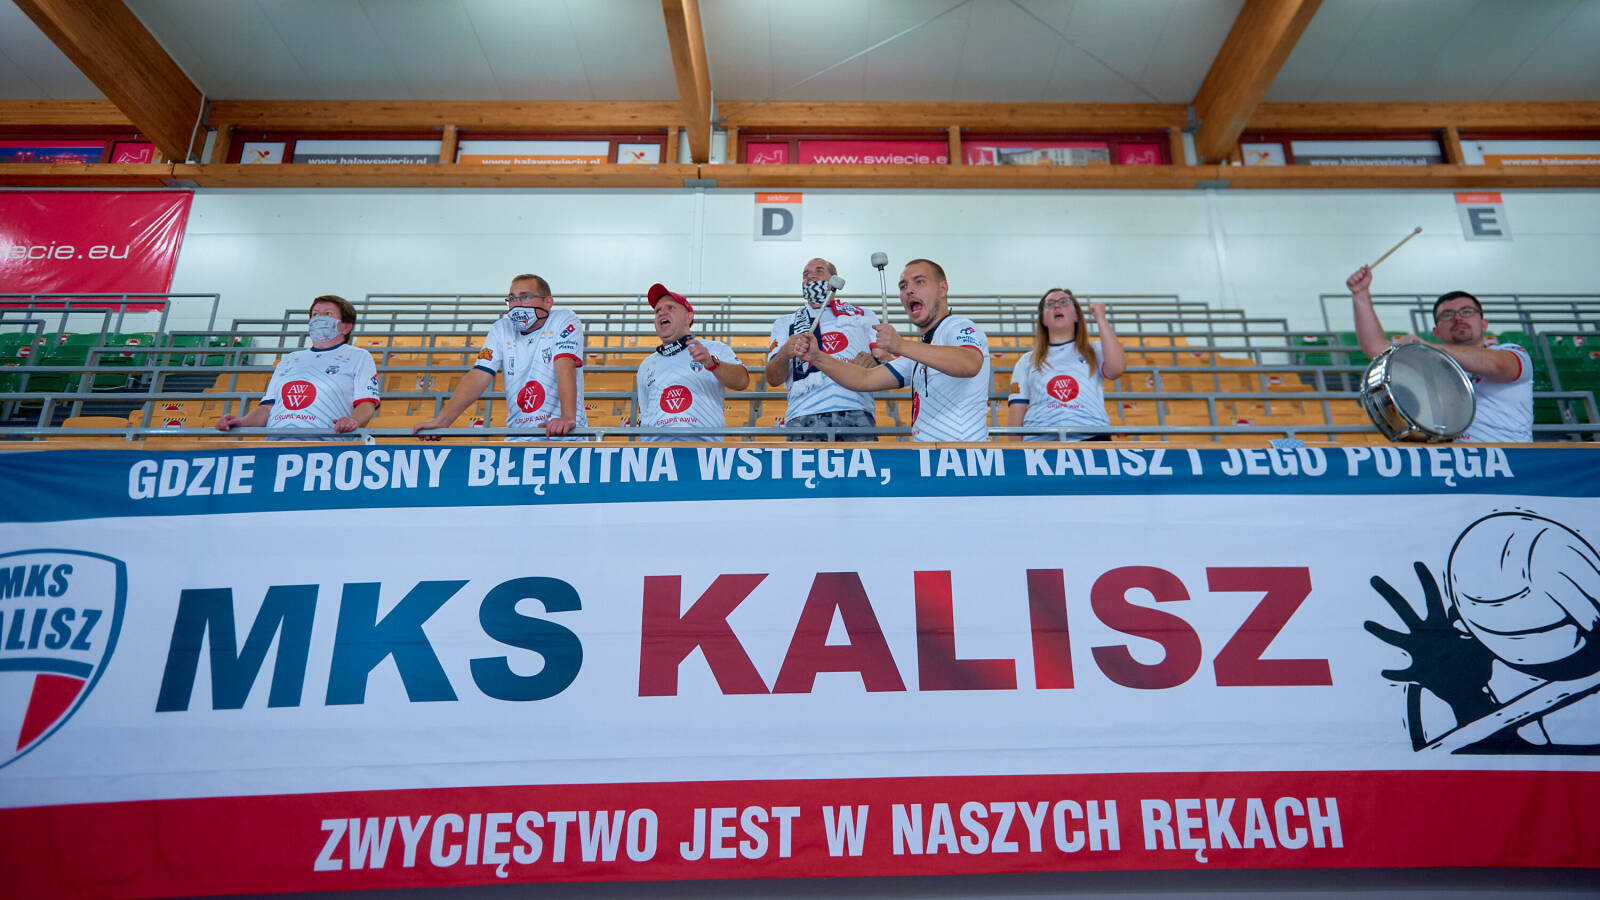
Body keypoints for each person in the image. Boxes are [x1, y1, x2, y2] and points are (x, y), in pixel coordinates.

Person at [801, 258, 991, 442]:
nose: (909, 290)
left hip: (965, 456)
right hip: (929, 457)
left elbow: (969, 363)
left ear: (943, 288)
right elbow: (864, 379)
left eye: (920, 282)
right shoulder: (919, 353)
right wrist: (816, 357)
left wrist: (900, 345)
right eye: (903, 286)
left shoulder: (958, 326)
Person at [1346, 265, 1532, 443]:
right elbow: (1377, 348)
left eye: (1467, 311)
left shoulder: (1512, 352)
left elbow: (1498, 365)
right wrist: (1360, 295)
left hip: (1509, 457)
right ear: (1437, 332)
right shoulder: (1432, 362)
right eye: (1447, 315)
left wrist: (1424, 346)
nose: (1458, 317)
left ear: (1484, 324)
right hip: (1453, 457)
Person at [413, 273, 585, 439]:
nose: (517, 304)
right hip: (518, 436)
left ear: (548, 302)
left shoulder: (564, 318)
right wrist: (442, 421)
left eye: (525, 296)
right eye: (512, 298)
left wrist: (567, 418)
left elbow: (564, 364)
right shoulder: (501, 327)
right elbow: (480, 374)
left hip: (564, 436)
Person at [215, 294, 379, 437]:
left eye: (328, 314)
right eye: (315, 315)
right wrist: (240, 422)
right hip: (276, 444)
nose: (319, 319)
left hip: (326, 445)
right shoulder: (290, 359)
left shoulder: (359, 356)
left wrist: (352, 421)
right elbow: (267, 408)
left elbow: (367, 403)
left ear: (346, 326)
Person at [765, 257, 883, 441]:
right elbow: (773, 379)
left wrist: (875, 362)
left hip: (856, 409)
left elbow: (886, 361)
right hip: (803, 413)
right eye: (806, 274)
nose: (811, 276)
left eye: (819, 271)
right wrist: (783, 354)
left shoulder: (863, 315)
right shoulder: (785, 322)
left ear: (834, 279)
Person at [1006, 288, 1125, 441]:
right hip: (1040, 444)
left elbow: (1117, 369)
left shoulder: (1095, 350)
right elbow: (1017, 411)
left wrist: (1101, 319)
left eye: (1064, 302)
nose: (1057, 306)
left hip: (1092, 439)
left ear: (1076, 315)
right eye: (1050, 304)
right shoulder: (1027, 360)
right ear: (1043, 319)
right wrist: (1016, 451)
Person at [635, 283, 749, 439]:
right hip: (657, 449)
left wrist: (712, 364)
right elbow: (644, 414)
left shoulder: (715, 349)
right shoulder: (646, 365)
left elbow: (742, 381)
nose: (662, 313)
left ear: (688, 317)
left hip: (703, 448)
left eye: (670, 308)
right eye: (657, 311)